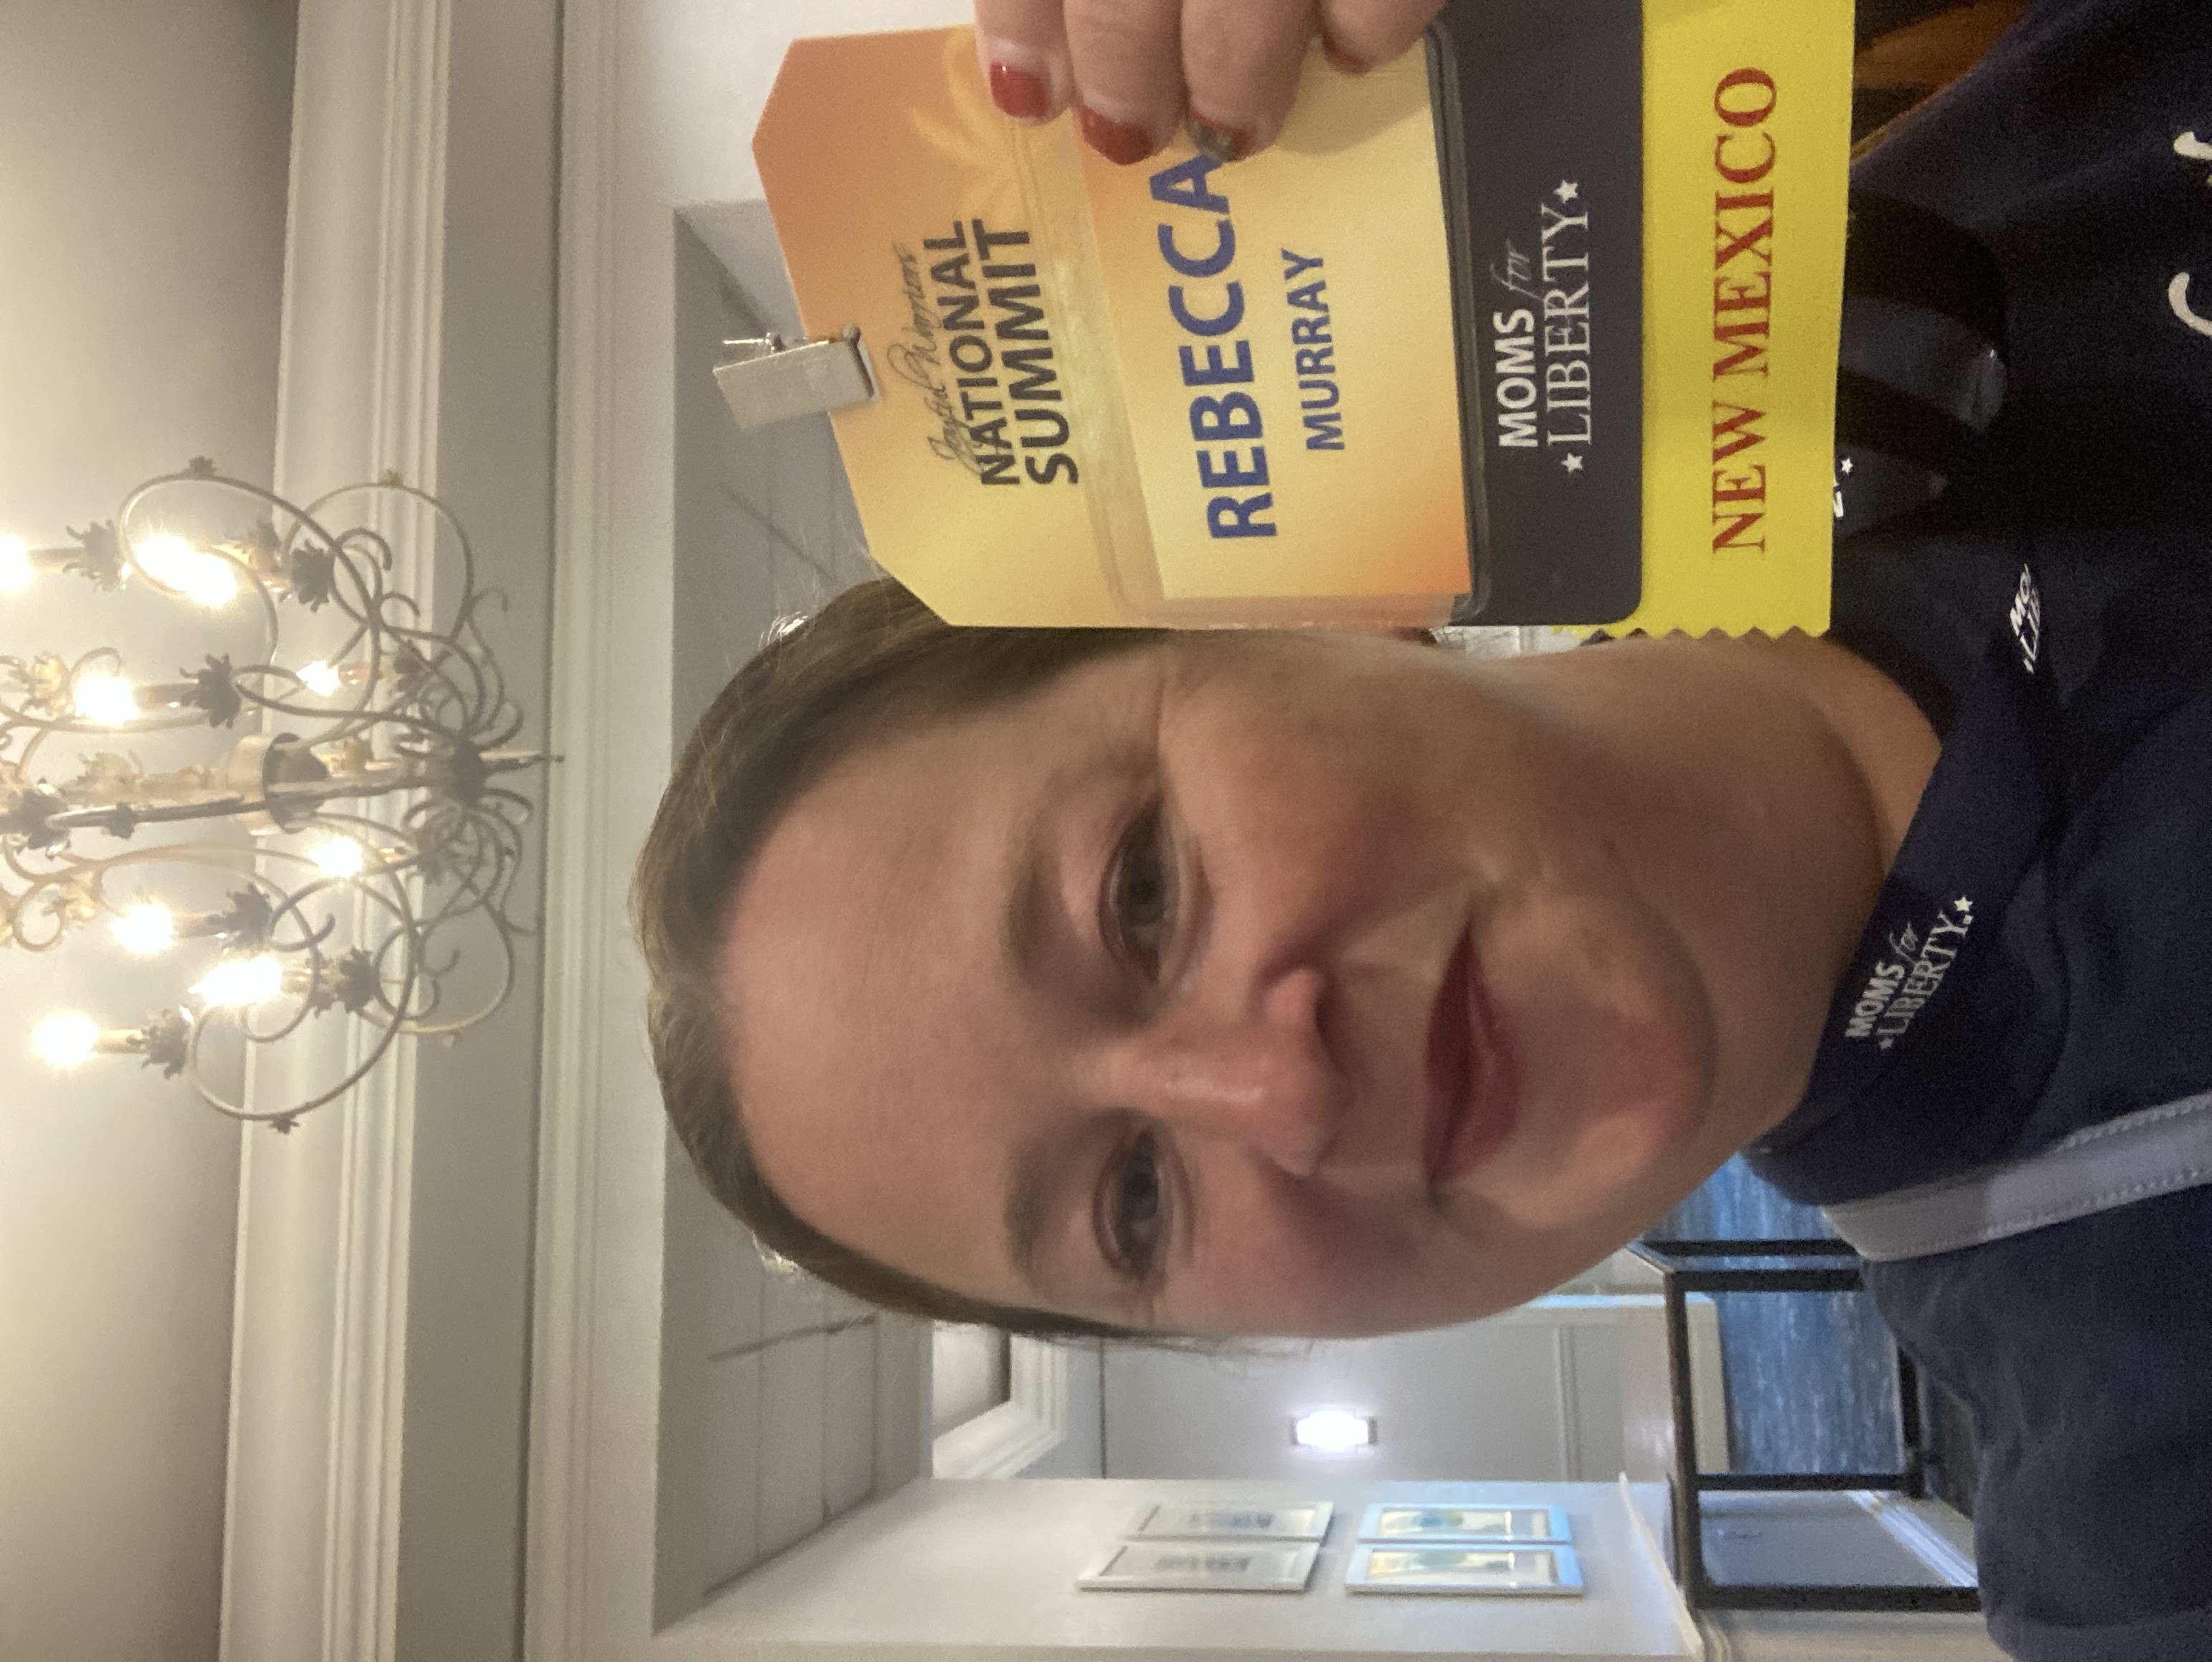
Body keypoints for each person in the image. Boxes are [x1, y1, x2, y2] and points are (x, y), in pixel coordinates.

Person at [636, 1, 2212, 1656]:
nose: (1280, 1092)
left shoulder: (1856, 178)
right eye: (1135, 1206)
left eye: (1140, 892)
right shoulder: (2144, 1531)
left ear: (1282, 591)